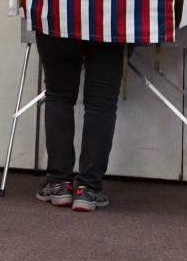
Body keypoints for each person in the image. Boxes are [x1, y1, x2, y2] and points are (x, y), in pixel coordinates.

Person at [33, 33, 125, 212]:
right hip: (114, 14)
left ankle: (59, 184)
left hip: (59, 11)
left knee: (59, 95)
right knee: (101, 103)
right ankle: (88, 189)